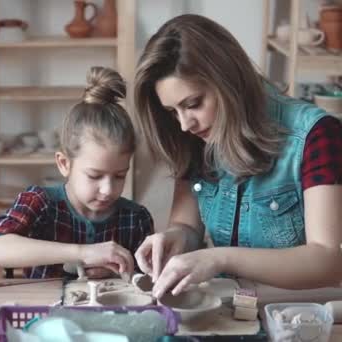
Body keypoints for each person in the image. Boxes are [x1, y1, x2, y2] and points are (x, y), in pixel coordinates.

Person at [133, 14, 342, 299]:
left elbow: (327, 261)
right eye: (173, 111)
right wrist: (174, 237)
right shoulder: (193, 137)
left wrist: (219, 258)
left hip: (292, 314)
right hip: (226, 307)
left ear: (228, 80)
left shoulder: (316, 135)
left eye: (193, 104)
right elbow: (186, 225)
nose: (184, 124)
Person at [0, 66, 154, 279]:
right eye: (94, 176)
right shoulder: (39, 202)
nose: (107, 190)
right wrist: (83, 253)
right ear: (64, 164)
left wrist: (117, 274)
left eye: (119, 176)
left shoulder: (135, 219)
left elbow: (146, 281)